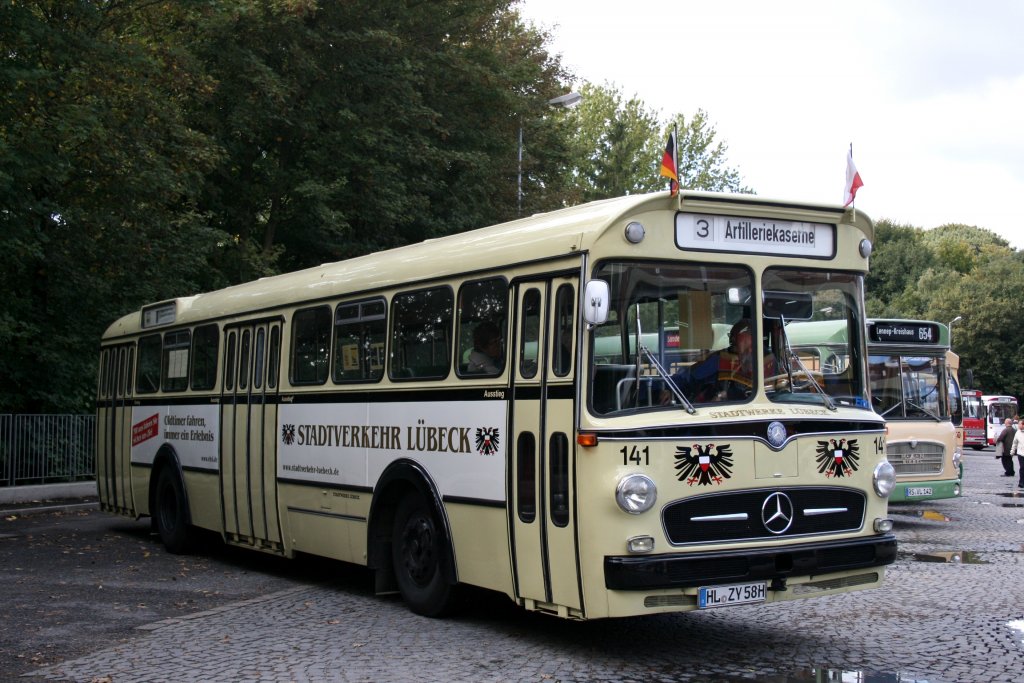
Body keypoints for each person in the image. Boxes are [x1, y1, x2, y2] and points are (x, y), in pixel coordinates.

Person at [664, 319, 759, 403]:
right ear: (733, 339)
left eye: (753, 336)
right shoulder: (720, 359)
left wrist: (729, 394)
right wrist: (669, 389)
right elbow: (688, 377)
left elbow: (770, 390)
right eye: (746, 338)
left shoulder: (766, 360)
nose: (750, 347)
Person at [1012, 422, 1024, 489]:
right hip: (1020, 453)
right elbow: (1014, 443)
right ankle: (1021, 482)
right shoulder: (1018, 432)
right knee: (1022, 467)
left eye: (1019, 424)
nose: (1018, 425)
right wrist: (1012, 451)